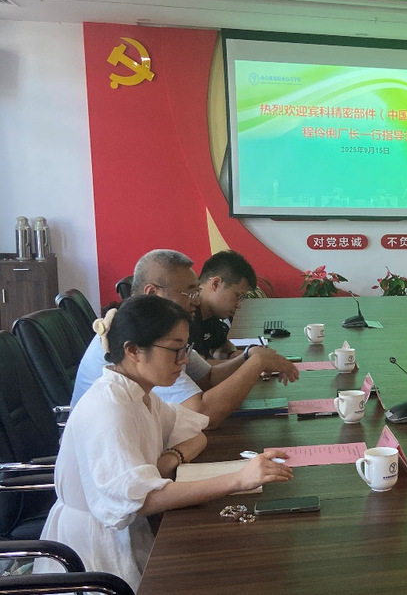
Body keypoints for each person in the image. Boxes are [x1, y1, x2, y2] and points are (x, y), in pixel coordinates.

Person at [37, 295, 293, 591]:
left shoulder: (139, 394)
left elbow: (197, 431)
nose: (183, 360)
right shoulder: (109, 407)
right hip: (94, 553)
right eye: (175, 350)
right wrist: (237, 480)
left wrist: (170, 458)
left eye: (185, 349)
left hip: (130, 530)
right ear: (133, 351)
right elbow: (143, 500)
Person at [72, 249, 299, 428]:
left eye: (196, 293)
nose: (197, 301)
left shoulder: (165, 328)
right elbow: (202, 416)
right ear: (153, 293)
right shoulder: (140, 336)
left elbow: (207, 377)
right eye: (189, 293)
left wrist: (249, 356)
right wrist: (257, 363)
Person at [192, 250, 256, 360]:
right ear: (216, 284)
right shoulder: (187, 315)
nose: (238, 305)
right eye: (237, 296)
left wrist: (232, 354)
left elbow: (221, 347)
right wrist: (251, 360)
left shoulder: (210, 315)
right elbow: (198, 369)